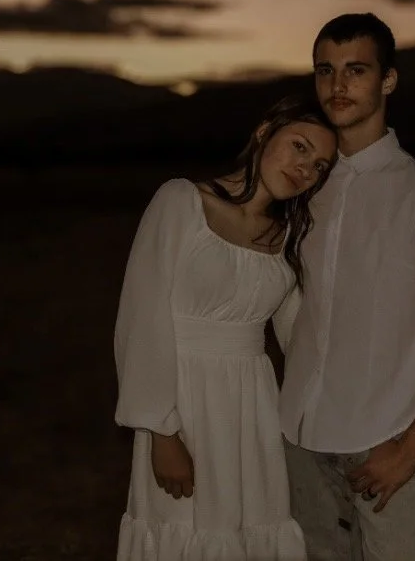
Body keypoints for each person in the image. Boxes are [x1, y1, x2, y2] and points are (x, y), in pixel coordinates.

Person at [279, 13, 415, 560]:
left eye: (356, 70)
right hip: (299, 438)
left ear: (388, 81)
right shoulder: (307, 187)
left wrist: (410, 449)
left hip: (381, 446)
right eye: (325, 70)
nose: (338, 85)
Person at [114, 93, 339, 560]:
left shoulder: (290, 236)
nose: (306, 169)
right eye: (299, 147)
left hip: (254, 406)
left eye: (319, 166)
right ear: (263, 133)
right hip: (184, 401)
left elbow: (300, 339)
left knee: (252, 529)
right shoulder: (182, 201)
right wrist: (161, 431)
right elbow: (142, 318)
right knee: (184, 529)